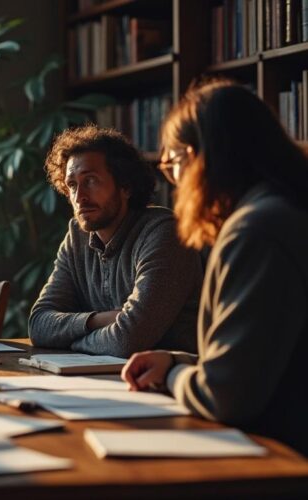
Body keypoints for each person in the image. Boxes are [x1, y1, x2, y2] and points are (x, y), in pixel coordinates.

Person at [122, 80, 308, 456]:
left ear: (195, 159)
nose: (175, 185)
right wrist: (178, 362)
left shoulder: (256, 231)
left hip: (280, 457)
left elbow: (225, 396)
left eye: (173, 166)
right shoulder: (286, 209)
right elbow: (265, 357)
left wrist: (172, 375)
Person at [30, 125, 201, 358]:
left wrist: (70, 341)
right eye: (72, 185)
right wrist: (97, 320)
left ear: (125, 186)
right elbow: (38, 324)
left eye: (91, 181)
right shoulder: (77, 237)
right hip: (99, 376)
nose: (79, 197)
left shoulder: (164, 233)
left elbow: (127, 341)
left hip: (168, 376)